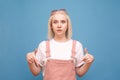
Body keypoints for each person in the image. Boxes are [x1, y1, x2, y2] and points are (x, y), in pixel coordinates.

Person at [26, 9, 94, 80]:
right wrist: (30, 62)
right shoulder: (43, 45)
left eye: (63, 22)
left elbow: (80, 73)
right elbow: (35, 72)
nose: (59, 25)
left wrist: (88, 63)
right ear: (51, 26)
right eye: (55, 22)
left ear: (68, 25)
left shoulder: (77, 45)